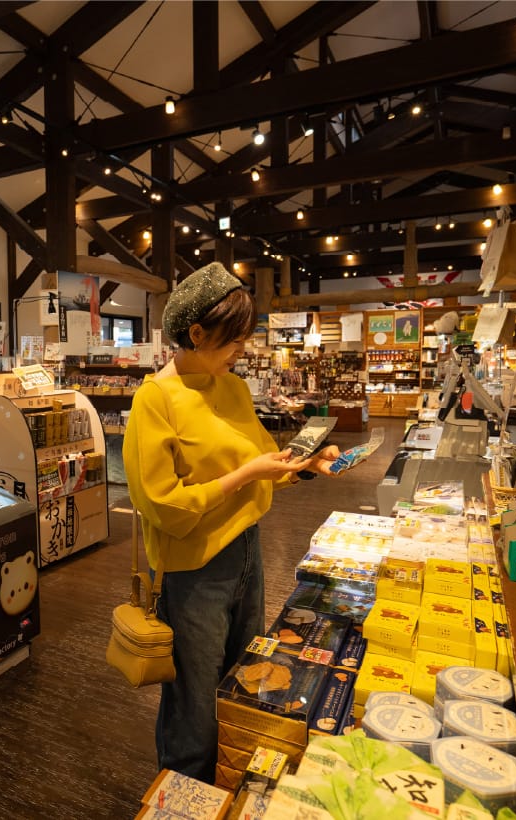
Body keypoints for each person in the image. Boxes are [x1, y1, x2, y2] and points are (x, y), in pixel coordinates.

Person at [122, 262, 341, 783]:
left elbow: (267, 464)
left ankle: (225, 781)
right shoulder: (155, 399)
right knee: (193, 702)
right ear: (195, 334)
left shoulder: (234, 387)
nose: (242, 349)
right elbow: (162, 505)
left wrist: (305, 464)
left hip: (247, 550)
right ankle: (183, 792)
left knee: (240, 679)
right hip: (193, 567)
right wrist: (245, 475)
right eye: (232, 339)